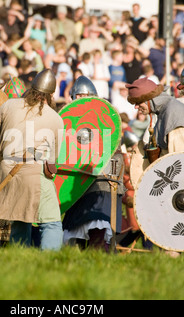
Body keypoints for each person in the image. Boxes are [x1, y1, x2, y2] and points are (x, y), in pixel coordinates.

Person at [0, 69, 64, 250]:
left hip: (6, 171)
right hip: (34, 173)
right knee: (51, 222)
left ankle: (19, 256)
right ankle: (52, 260)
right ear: (50, 94)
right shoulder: (56, 118)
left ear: (31, 88)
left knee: (20, 217)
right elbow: (52, 159)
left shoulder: (9, 105)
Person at [126, 77, 184, 260]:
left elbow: (180, 160)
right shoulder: (166, 111)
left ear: (149, 100)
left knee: (177, 240)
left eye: (138, 103)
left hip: (181, 189)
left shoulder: (173, 114)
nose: (136, 108)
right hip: (179, 187)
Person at [62, 76, 124, 252]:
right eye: (78, 96)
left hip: (102, 183)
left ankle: (103, 269)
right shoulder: (70, 121)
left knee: (99, 233)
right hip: (77, 186)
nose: (82, 100)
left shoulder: (105, 118)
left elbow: (111, 152)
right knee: (76, 237)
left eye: (85, 96)